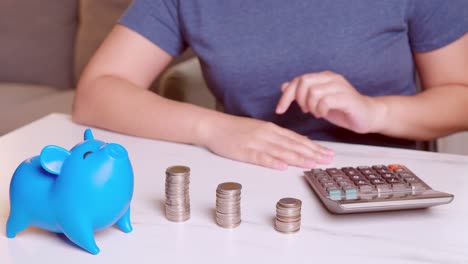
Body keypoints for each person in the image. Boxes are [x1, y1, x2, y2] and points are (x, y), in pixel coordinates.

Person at [73, 0, 468, 170]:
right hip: (252, 183)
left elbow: (460, 96)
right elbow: (98, 91)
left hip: (385, 190)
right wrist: (213, 128)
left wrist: (376, 111)